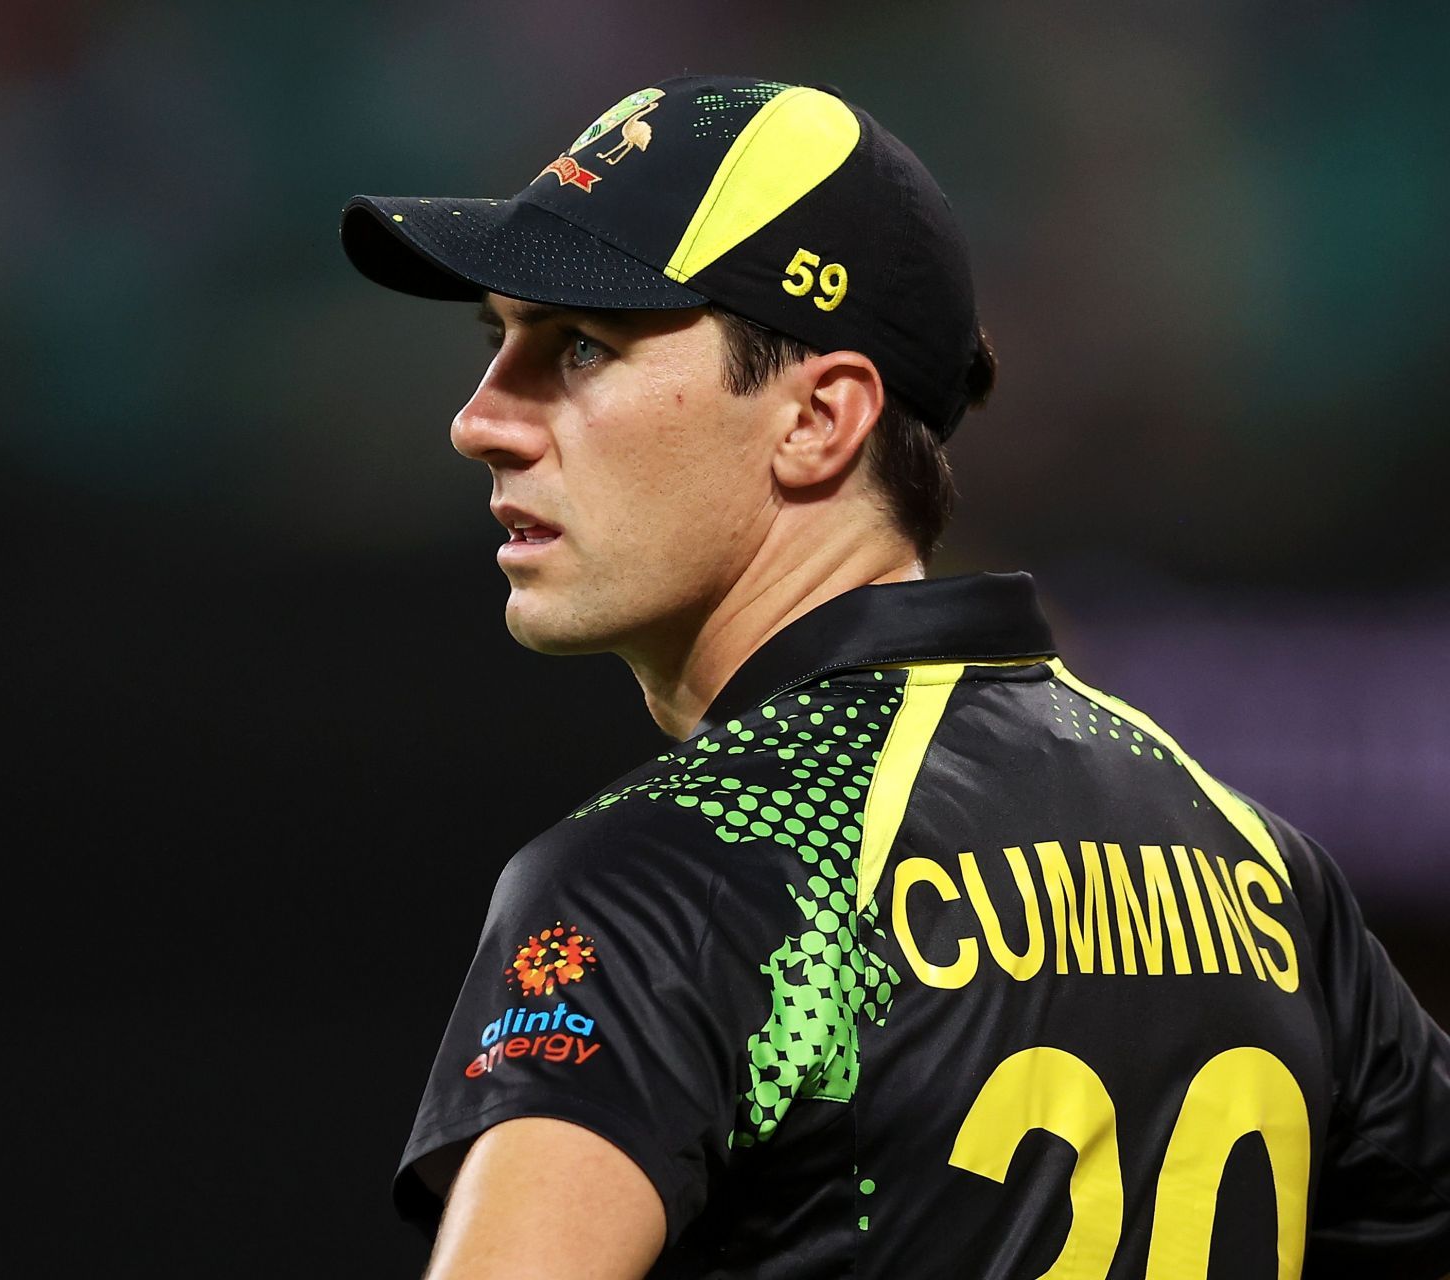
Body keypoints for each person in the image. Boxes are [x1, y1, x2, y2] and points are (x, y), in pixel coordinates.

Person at [338, 74, 1450, 1279]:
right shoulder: (1263, 871)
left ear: (821, 418)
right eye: (496, 341)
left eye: (582, 346)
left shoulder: (684, 870)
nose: (480, 419)